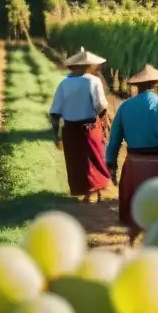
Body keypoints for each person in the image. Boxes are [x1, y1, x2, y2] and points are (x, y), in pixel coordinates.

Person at [105, 64, 158, 243]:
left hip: (133, 164)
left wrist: (111, 164)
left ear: (138, 86)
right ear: (157, 85)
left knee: (134, 207)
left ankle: (132, 241)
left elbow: (114, 139)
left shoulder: (125, 107)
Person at [49, 47, 113, 203]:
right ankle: (95, 192)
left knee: (77, 162)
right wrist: (106, 123)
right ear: (89, 66)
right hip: (89, 128)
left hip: (70, 130)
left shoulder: (64, 84)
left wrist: (56, 134)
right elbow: (100, 106)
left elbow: (55, 112)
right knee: (93, 159)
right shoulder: (93, 81)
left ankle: (85, 191)